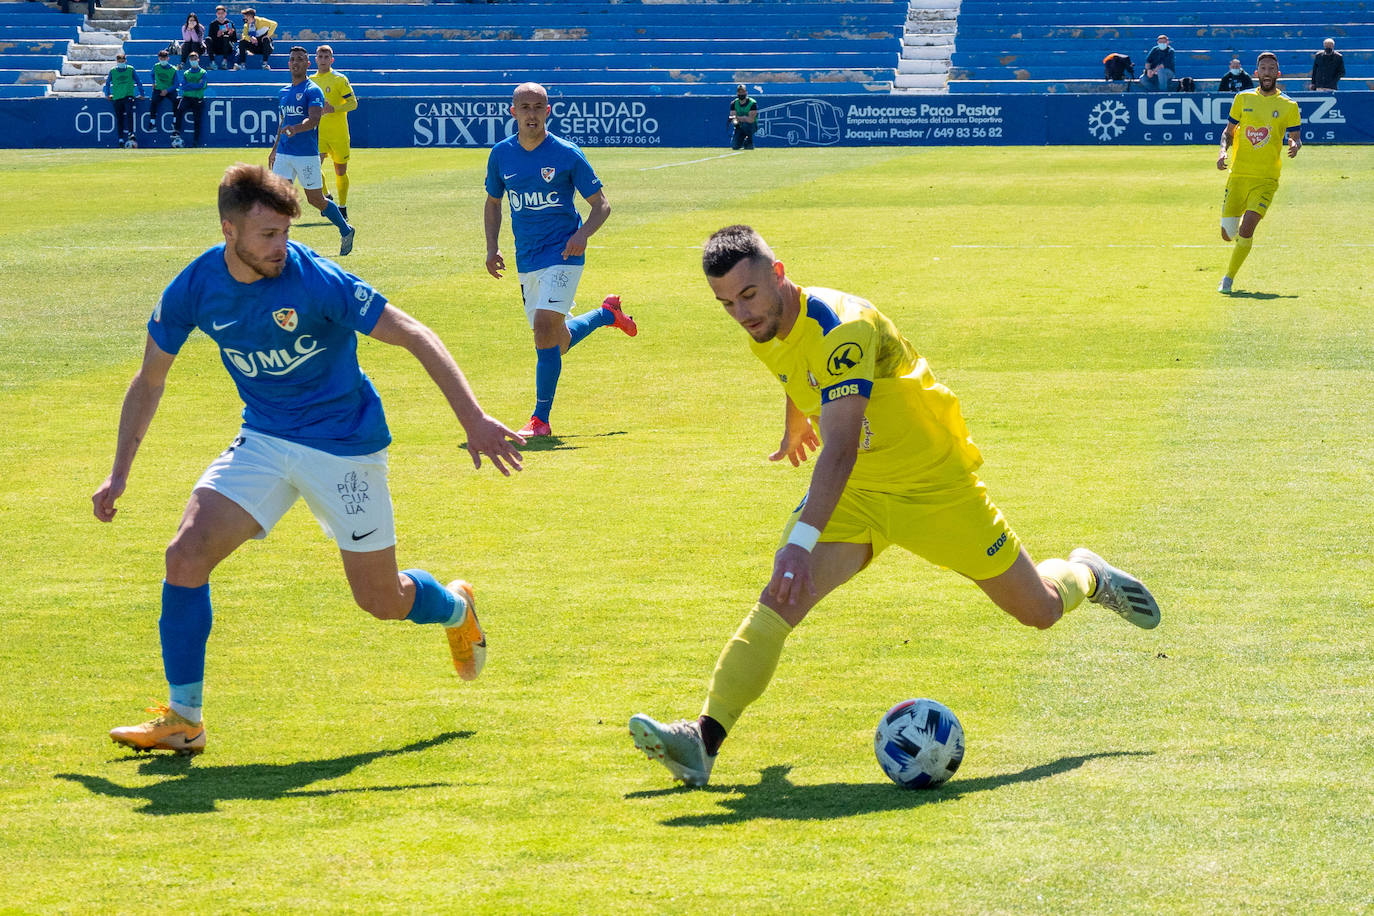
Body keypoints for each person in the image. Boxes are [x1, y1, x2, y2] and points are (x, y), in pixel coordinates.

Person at [628, 225, 1161, 787]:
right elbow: (796, 369)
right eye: (726, 303)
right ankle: (701, 742)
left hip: (932, 485)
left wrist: (802, 543)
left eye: (749, 295)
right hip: (858, 496)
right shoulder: (764, 325)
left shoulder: (843, 327)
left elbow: (839, 451)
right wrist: (793, 422)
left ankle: (1086, 574)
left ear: (779, 274)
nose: (741, 313)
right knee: (780, 596)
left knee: (1041, 611)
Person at [94, 163, 525, 755]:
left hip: (345, 447)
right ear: (229, 230)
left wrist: (473, 419)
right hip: (265, 440)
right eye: (268, 236)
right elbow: (149, 381)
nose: (281, 247)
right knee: (185, 554)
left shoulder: (318, 281)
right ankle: (184, 720)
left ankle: (455, 608)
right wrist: (119, 473)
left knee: (381, 600)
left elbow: (415, 334)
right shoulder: (194, 288)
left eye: (286, 234)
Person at [483, 81, 638, 439]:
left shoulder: (568, 154)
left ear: (548, 111)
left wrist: (582, 235)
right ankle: (605, 315)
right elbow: (493, 203)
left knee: (543, 330)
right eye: (525, 108)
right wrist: (492, 247)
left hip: (565, 254)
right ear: (513, 113)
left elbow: (601, 204)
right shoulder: (501, 155)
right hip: (528, 258)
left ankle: (540, 420)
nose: (532, 114)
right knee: (557, 340)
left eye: (539, 107)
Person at [1216, 52, 1301, 294]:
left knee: (1247, 229)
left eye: (1271, 69)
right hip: (1238, 176)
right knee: (1227, 235)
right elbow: (1228, 132)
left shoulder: (1289, 106)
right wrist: (1222, 152)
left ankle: (1228, 279)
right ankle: (1239, 224)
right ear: (1256, 73)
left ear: (1278, 73)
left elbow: (1296, 138)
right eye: (1262, 68)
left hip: (1266, 179)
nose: (1266, 72)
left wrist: (1294, 145)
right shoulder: (1242, 99)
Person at [270, 46, 355, 256]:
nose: (295, 62)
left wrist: (296, 129)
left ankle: (346, 230)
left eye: (300, 59)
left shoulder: (312, 90)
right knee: (278, 198)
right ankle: (279, 245)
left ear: (308, 64)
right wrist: (273, 150)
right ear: (288, 64)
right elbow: (283, 122)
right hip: (283, 153)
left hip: (306, 155)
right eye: (292, 59)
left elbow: (315, 119)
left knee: (316, 200)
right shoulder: (283, 92)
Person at [310, 45, 356, 221]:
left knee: (340, 171)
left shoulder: (339, 79)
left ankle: (342, 207)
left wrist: (334, 108)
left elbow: (353, 103)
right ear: (315, 59)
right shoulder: (310, 81)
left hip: (338, 133)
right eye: (320, 56)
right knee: (314, 168)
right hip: (318, 132)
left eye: (326, 56)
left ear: (332, 60)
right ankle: (327, 197)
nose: (323, 59)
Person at [102, 52, 143, 148]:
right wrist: (107, 94)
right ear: (117, 61)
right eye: (119, 61)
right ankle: (120, 138)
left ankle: (130, 133)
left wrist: (142, 93)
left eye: (122, 61)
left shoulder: (130, 69)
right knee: (119, 118)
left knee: (129, 113)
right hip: (117, 97)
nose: (121, 63)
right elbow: (107, 84)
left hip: (128, 96)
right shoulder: (113, 71)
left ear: (125, 61)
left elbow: (138, 81)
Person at [175, 52, 208, 147]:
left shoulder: (203, 73)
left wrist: (190, 85)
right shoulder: (186, 73)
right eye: (191, 60)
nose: (193, 61)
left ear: (198, 60)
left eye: (195, 59)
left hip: (198, 99)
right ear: (189, 61)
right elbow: (183, 87)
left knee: (197, 120)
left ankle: (195, 141)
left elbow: (202, 85)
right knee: (179, 110)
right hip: (187, 98)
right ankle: (177, 131)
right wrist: (195, 85)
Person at [148, 48, 179, 136]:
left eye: (164, 59)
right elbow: (152, 75)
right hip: (159, 89)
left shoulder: (173, 69)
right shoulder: (156, 67)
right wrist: (153, 83)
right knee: (153, 101)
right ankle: (152, 122)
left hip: (170, 90)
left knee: (176, 101)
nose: (163, 61)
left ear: (168, 58)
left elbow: (177, 84)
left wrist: (167, 90)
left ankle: (175, 122)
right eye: (161, 59)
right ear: (159, 59)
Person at [207, 4, 237, 70]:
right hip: (216, 48)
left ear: (225, 14)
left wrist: (231, 34)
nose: (220, 15)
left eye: (222, 13)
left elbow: (234, 39)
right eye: (219, 13)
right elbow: (210, 38)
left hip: (227, 48)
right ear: (216, 14)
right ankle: (212, 62)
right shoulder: (213, 24)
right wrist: (217, 35)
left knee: (226, 37)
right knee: (207, 39)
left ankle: (224, 61)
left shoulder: (230, 23)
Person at [729, 84, 757, 150]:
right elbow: (732, 117)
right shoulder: (734, 103)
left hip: (751, 126)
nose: (741, 94)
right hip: (739, 126)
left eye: (743, 92)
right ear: (737, 93)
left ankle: (749, 141)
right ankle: (743, 142)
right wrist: (743, 118)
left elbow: (751, 120)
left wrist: (738, 118)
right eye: (739, 92)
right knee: (734, 146)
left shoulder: (752, 103)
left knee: (746, 125)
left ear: (746, 92)